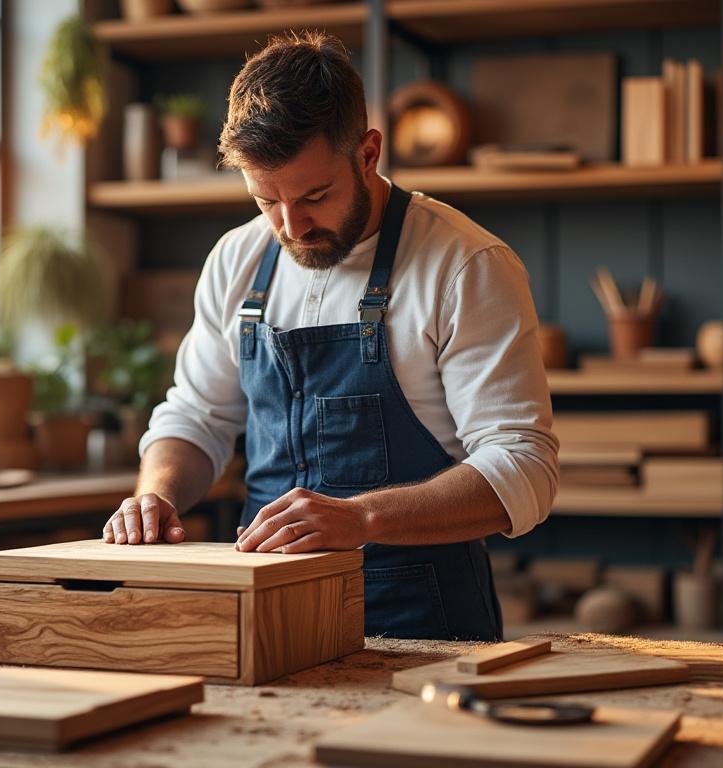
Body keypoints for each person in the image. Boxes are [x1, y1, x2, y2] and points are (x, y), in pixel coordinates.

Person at [101, 31, 558, 641]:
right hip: (265, 609)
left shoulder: (464, 264)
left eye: (315, 195)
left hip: (421, 618)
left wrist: (361, 517)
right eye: (267, 200)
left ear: (368, 153)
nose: (292, 226)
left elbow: (523, 466)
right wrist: (155, 496)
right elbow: (198, 417)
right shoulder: (237, 258)